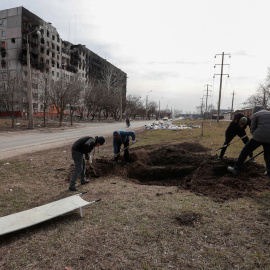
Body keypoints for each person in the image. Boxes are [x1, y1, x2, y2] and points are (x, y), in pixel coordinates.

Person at [228, 105, 270, 179]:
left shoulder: (256, 115)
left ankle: (236, 169)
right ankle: (269, 172)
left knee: (245, 151)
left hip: (258, 136)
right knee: (268, 155)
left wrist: (257, 139)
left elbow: (252, 129)